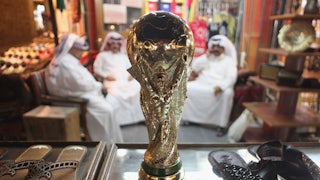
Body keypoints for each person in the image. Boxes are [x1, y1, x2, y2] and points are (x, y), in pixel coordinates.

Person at [45, 33, 123, 143]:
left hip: (79, 93)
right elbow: (80, 84)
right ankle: (103, 143)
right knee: (107, 110)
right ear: (71, 48)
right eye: (79, 49)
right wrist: (98, 86)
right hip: (73, 99)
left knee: (113, 103)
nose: (81, 52)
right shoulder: (65, 62)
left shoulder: (68, 60)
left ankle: (114, 142)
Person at [182, 34, 238, 136]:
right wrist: (206, 56)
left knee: (227, 93)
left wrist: (221, 87)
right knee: (187, 88)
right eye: (214, 46)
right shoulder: (207, 58)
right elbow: (195, 67)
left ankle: (222, 125)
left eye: (218, 47)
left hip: (219, 85)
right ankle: (188, 119)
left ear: (223, 48)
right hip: (202, 82)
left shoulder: (229, 61)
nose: (216, 49)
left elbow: (231, 77)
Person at [93, 32, 144, 126]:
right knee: (115, 94)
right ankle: (121, 121)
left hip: (126, 80)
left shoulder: (124, 56)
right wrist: (105, 76)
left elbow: (131, 68)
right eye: (113, 44)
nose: (115, 46)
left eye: (117, 44)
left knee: (138, 89)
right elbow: (97, 69)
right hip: (112, 80)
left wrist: (132, 76)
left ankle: (138, 118)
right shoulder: (102, 56)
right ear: (109, 44)